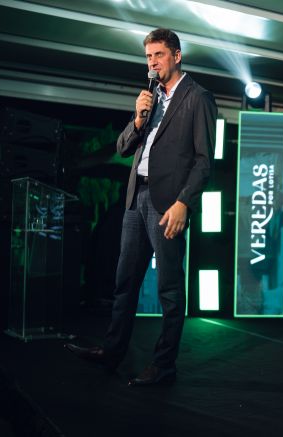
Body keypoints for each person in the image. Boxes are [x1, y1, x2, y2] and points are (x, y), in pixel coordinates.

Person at [65, 28, 216, 386]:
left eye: (158, 55)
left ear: (176, 56)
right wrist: (137, 119)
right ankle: (112, 352)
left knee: (169, 288)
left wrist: (184, 203)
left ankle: (164, 365)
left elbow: (204, 160)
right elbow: (122, 147)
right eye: (148, 56)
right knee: (124, 282)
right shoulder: (149, 98)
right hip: (137, 198)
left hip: (168, 204)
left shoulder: (198, 97)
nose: (152, 62)